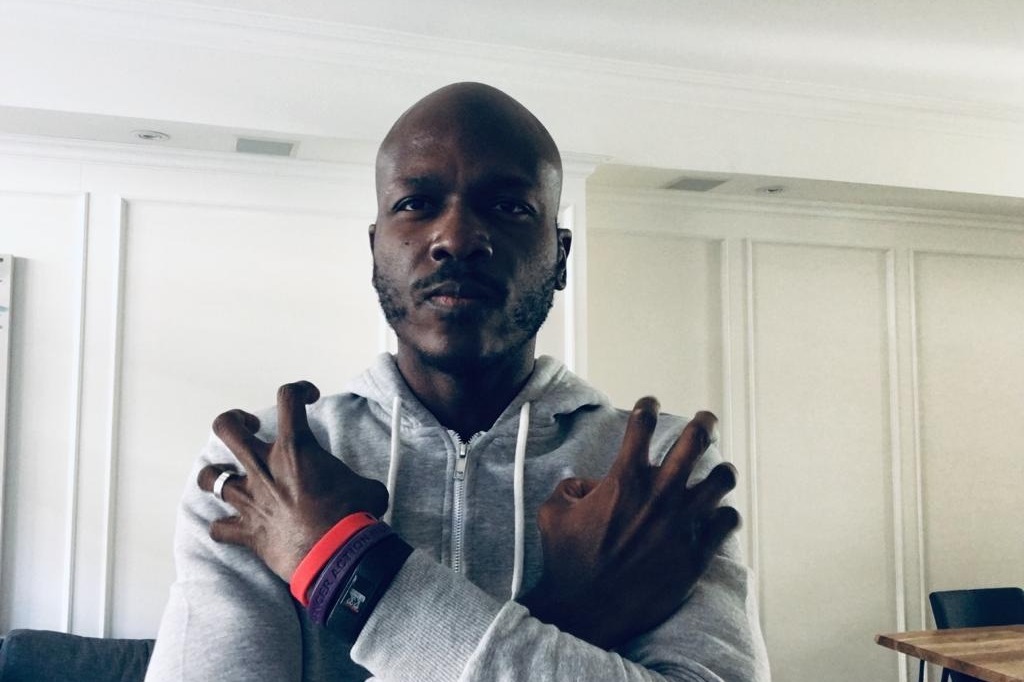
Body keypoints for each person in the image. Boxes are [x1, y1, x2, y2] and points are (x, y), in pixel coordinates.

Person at [145, 82, 770, 681]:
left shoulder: (656, 466)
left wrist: (342, 564)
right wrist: (575, 613)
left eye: (509, 207)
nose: (458, 238)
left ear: (560, 257)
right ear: (375, 250)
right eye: (416, 204)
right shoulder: (267, 468)